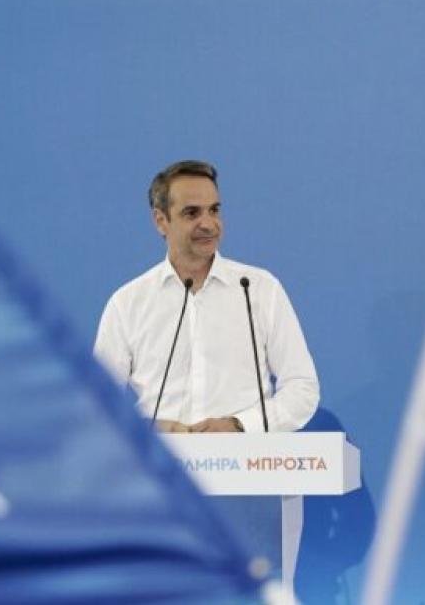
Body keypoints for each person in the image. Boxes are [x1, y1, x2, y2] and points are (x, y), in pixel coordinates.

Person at [94, 160, 319, 433]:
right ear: (161, 221)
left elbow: (302, 389)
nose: (208, 224)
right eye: (192, 213)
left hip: (246, 456)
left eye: (214, 210)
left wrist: (240, 425)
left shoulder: (259, 289)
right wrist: (149, 430)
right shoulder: (127, 304)